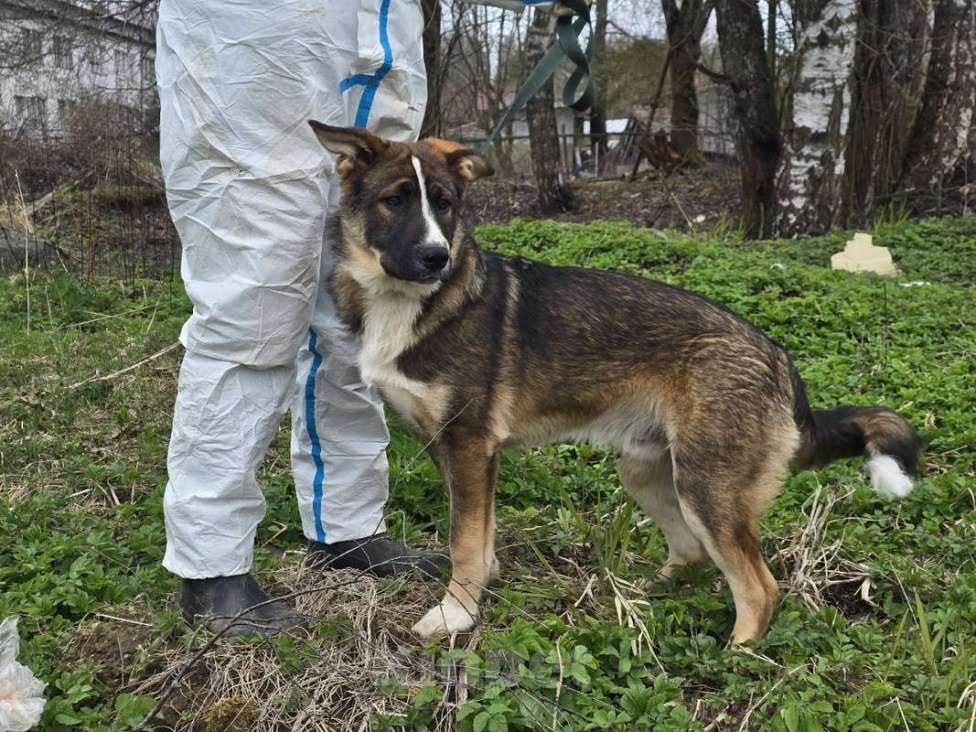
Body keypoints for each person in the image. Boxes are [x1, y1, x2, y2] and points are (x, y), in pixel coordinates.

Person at [157, 0, 562, 635]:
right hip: (258, 58)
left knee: (359, 325)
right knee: (249, 316)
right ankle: (211, 568)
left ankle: (345, 528)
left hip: (382, 51)